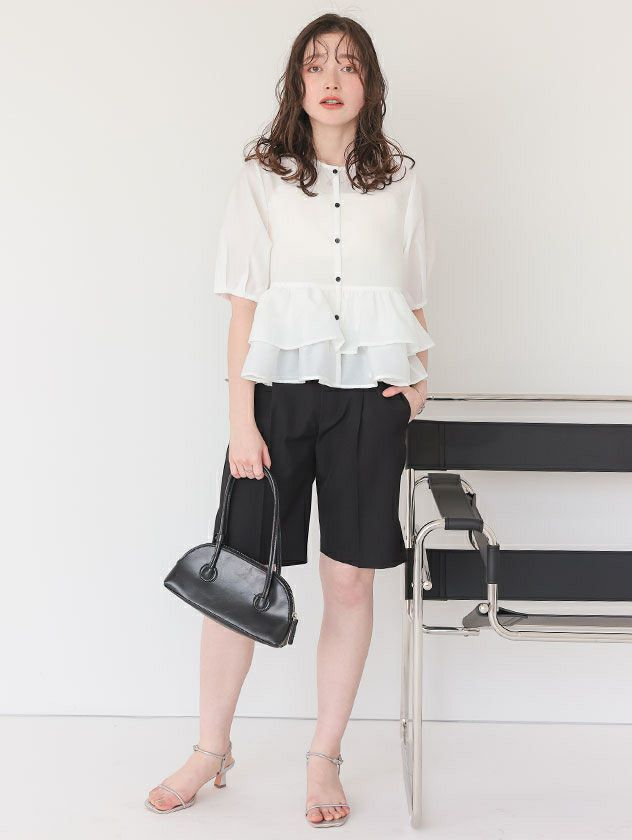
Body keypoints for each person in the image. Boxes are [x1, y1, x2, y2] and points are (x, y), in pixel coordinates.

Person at [146, 12, 435, 827]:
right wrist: (241, 420)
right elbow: (243, 308)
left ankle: (324, 757)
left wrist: (419, 386)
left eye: (348, 64)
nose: (331, 79)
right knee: (238, 574)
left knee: (349, 580)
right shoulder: (264, 176)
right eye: (315, 64)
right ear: (297, 83)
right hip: (275, 399)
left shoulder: (400, 181)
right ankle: (211, 747)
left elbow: (413, 295)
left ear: (369, 83)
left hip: (368, 402)